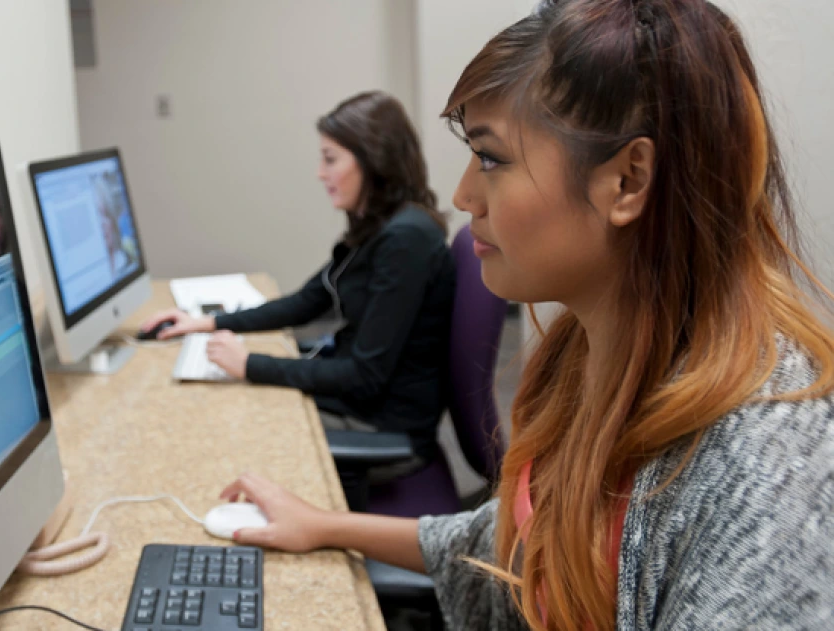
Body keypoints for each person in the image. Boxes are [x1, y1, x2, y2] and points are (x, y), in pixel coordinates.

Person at [217, 1, 834, 629]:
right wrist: (325, 525)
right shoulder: (585, 352)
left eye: (490, 158)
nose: (462, 195)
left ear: (627, 181)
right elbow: (524, 535)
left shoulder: (765, 464)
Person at [142, 91, 456, 466]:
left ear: (373, 160)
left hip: (380, 427)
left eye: (330, 160)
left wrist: (248, 365)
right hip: (359, 404)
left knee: (226, 430)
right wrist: (207, 322)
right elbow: (307, 300)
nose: (319, 173)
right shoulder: (377, 227)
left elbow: (365, 375)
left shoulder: (405, 240)